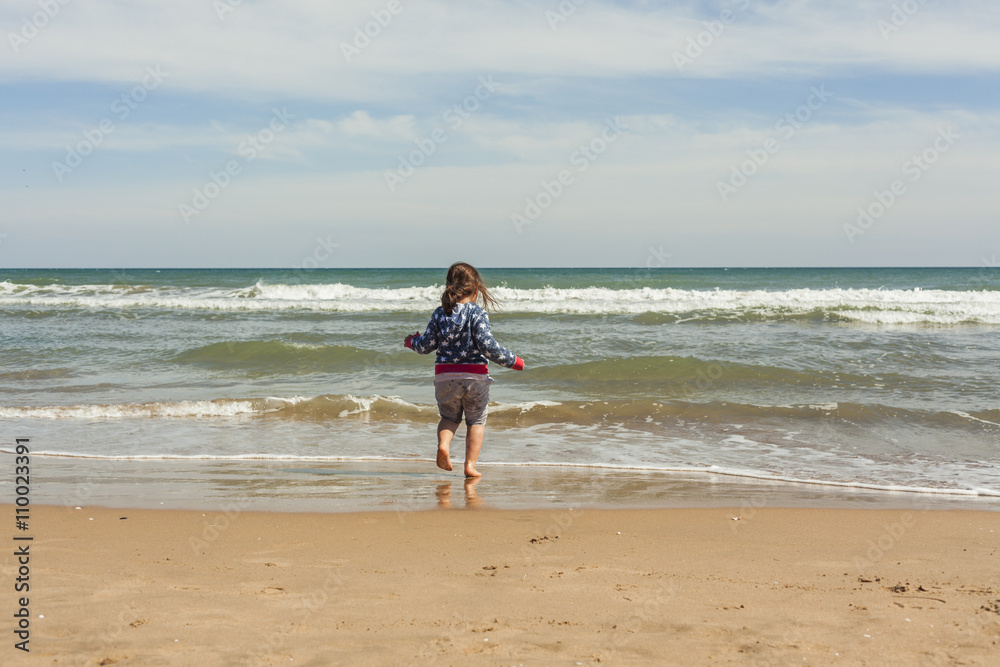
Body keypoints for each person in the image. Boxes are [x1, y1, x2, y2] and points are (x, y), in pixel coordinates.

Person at [404, 262, 525, 477]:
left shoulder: (439, 314)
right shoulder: (477, 313)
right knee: (476, 421)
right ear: (476, 289)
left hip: (444, 378)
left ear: (449, 286)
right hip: (474, 378)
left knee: (449, 418)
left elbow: (425, 346)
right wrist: (512, 360)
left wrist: (412, 341)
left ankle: (444, 446)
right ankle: (469, 466)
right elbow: (487, 346)